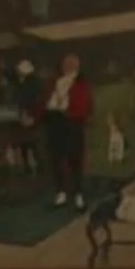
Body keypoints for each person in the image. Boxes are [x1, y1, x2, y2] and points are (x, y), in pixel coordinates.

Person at [37, 52, 93, 206]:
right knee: (56, 159)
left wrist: (67, 110)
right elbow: (45, 101)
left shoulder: (81, 84)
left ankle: (78, 194)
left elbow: (84, 106)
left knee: (75, 160)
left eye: (71, 64)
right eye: (65, 64)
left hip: (73, 124)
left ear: (77, 66)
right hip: (55, 123)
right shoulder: (54, 82)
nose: (67, 67)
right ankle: (61, 192)